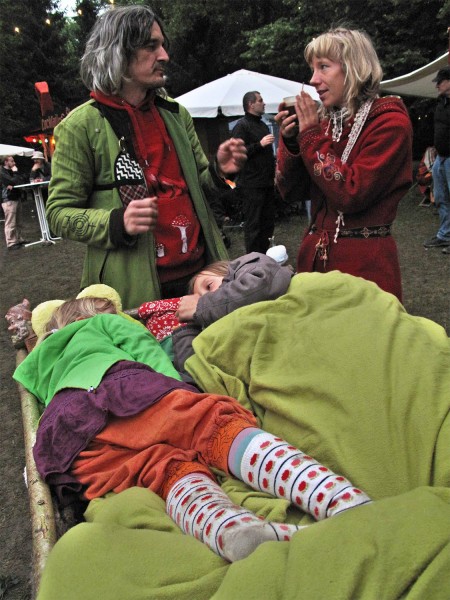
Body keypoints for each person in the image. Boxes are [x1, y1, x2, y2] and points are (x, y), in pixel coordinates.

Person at [13, 296, 371, 563]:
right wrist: (179, 392)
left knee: (164, 470)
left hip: (68, 438)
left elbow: (45, 403)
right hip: (119, 390)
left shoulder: (41, 358)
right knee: (212, 426)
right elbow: (148, 353)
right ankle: (339, 499)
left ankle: (228, 528)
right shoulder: (103, 325)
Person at [45, 5, 247, 310]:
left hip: (201, 275)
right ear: (118, 52)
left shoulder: (176, 114)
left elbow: (203, 187)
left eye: (162, 45)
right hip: (132, 287)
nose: (164, 55)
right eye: (151, 46)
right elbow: (59, 214)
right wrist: (117, 222)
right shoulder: (79, 126)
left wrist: (220, 172)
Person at [275, 28, 413, 302]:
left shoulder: (390, 122)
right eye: (312, 69)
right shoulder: (325, 123)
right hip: (314, 267)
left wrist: (311, 136)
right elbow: (291, 193)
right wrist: (292, 143)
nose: (313, 80)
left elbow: (350, 193)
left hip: (364, 271)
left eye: (323, 67)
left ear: (353, 68)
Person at [137, 252, 293, 372]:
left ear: (228, 270)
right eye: (199, 298)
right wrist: (187, 330)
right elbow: (196, 375)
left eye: (209, 286)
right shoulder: (219, 330)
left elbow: (263, 280)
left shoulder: (249, 268)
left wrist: (202, 306)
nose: (206, 297)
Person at [231, 91, 276, 254]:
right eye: (260, 100)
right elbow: (236, 153)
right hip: (251, 185)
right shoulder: (242, 126)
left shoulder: (262, 125)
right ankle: (252, 262)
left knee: (267, 225)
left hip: (266, 183)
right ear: (251, 104)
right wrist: (259, 144)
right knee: (253, 226)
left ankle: (264, 259)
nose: (264, 103)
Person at [423, 66, 450, 254]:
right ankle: (445, 235)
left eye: (440, 82)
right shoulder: (441, 103)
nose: (437, 86)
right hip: (441, 158)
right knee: (441, 198)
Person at [0, 155, 28, 250]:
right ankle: (11, 243)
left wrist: (13, 181)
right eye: (12, 161)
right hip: (8, 198)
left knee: (18, 221)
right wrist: (15, 175)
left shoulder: (11, 171)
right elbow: (11, 180)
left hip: (16, 196)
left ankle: (18, 239)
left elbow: (20, 180)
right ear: (6, 162)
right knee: (10, 222)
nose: (14, 163)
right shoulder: (2, 172)